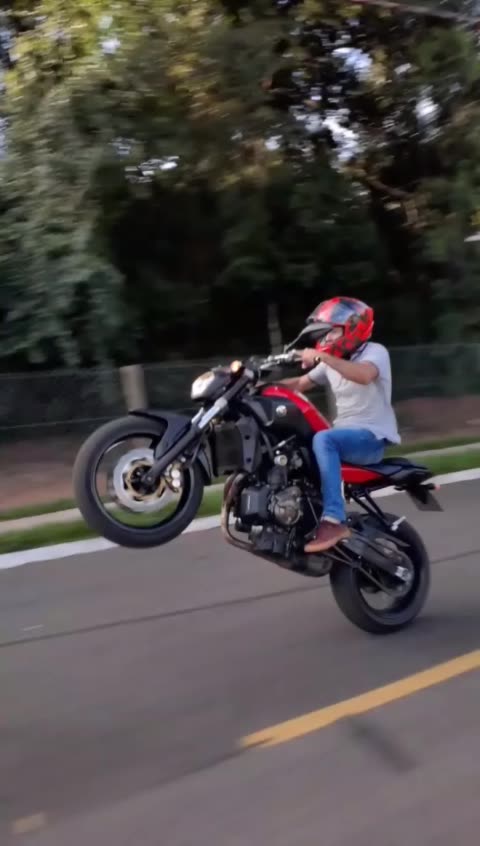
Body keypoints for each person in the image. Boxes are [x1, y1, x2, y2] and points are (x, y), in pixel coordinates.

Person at [281, 296, 401, 553]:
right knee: (295, 447)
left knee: (324, 439)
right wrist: (257, 385)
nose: (326, 338)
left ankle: (334, 520)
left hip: (371, 438)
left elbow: (364, 375)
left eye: (332, 332)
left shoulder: (375, 352)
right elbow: (300, 384)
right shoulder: (332, 361)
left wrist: (322, 357)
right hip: (346, 437)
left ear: (353, 329)